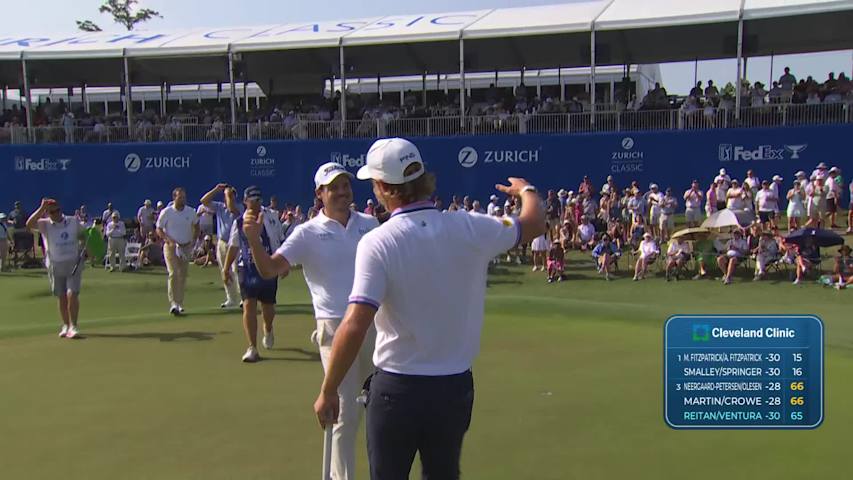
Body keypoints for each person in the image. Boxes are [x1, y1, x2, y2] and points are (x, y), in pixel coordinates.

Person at [311, 137, 545, 480]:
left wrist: (329, 390)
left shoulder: (378, 241)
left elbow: (355, 324)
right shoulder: (469, 226)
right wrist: (527, 191)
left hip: (397, 390)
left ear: (384, 188)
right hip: (453, 389)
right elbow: (535, 222)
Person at [242, 162, 379, 479]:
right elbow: (269, 269)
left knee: (382, 409)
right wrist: (252, 239)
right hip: (334, 327)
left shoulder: (370, 224)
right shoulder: (307, 233)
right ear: (320, 193)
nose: (342, 192)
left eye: (345, 185)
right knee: (343, 413)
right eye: (334, 187)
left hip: (375, 323)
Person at [224, 186, 282, 363]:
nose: (256, 203)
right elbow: (233, 245)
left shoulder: (271, 217)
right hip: (246, 268)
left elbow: (278, 241)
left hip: (268, 266)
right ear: (245, 201)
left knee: (268, 307)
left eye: (258, 199)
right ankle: (252, 347)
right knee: (248, 305)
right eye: (252, 199)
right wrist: (226, 268)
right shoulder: (239, 222)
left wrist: (282, 264)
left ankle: (268, 328)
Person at [26, 198, 86, 339]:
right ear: (47, 213)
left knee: (72, 294)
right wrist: (41, 208)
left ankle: (74, 326)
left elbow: (84, 235)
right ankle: (65, 325)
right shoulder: (44, 224)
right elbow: (29, 225)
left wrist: (85, 247)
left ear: (61, 209)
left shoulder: (72, 221)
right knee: (61, 296)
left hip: (73, 263)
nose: (56, 214)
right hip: (55, 264)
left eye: (57, 210)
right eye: (52, 212)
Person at [200, 184, 244, 308]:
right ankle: (231, 299)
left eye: (230, 195)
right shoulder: (219, 207)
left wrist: (227, 193)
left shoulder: (239, 207)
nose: (227, 197)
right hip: (222, 242)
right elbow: (203, 201)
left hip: (236, 243)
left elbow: (231, 209)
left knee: (237, 270)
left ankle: (243, 298)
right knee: (224, 271)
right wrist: (216, 189)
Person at [156, 187, 199, 315]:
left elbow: (196, 225)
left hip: (185, 246)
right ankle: (173, 303)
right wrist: (167, 240)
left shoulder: (190, 211)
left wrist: (194, 240)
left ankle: (180, 303)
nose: (183, 200)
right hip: (171, 246)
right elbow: (159, 228)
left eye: (184, 197)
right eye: (180, 197)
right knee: (173, 273)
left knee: (182, 275)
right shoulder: (167, 212)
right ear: (174, 198)